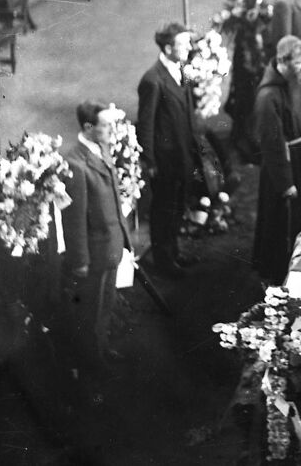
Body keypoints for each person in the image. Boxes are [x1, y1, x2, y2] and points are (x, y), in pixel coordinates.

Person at [62, 101, 129, 376]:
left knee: (106, 304)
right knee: (90, 311)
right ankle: (91, 362)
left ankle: (100, 349)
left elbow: (113, 195)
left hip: (110, 246)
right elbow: (74, 220)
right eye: (105, 124)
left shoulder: (100, 148)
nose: (111, 128)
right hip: (93, 254)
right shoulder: (75, 164)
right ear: (88, 127)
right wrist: (80, 261)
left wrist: (125, 238)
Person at [252, 35, 301, 284]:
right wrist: (286, 183)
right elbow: (271, 146)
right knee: (279, 225)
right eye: (300, 62)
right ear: (283, 62)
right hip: (286, 170)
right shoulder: (268, 97)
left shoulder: (299, 79)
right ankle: (274, 276)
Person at [137, 23, 200, 278]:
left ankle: (173, 251)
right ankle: (163, 260)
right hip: (164, 160)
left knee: (176, 205)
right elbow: (146, 124)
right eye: (183, 44)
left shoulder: (180, 69)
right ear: (167, 47)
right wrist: (149, 161)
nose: (189, 48)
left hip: (182, 153)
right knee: (163, 208)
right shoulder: (152, 80)